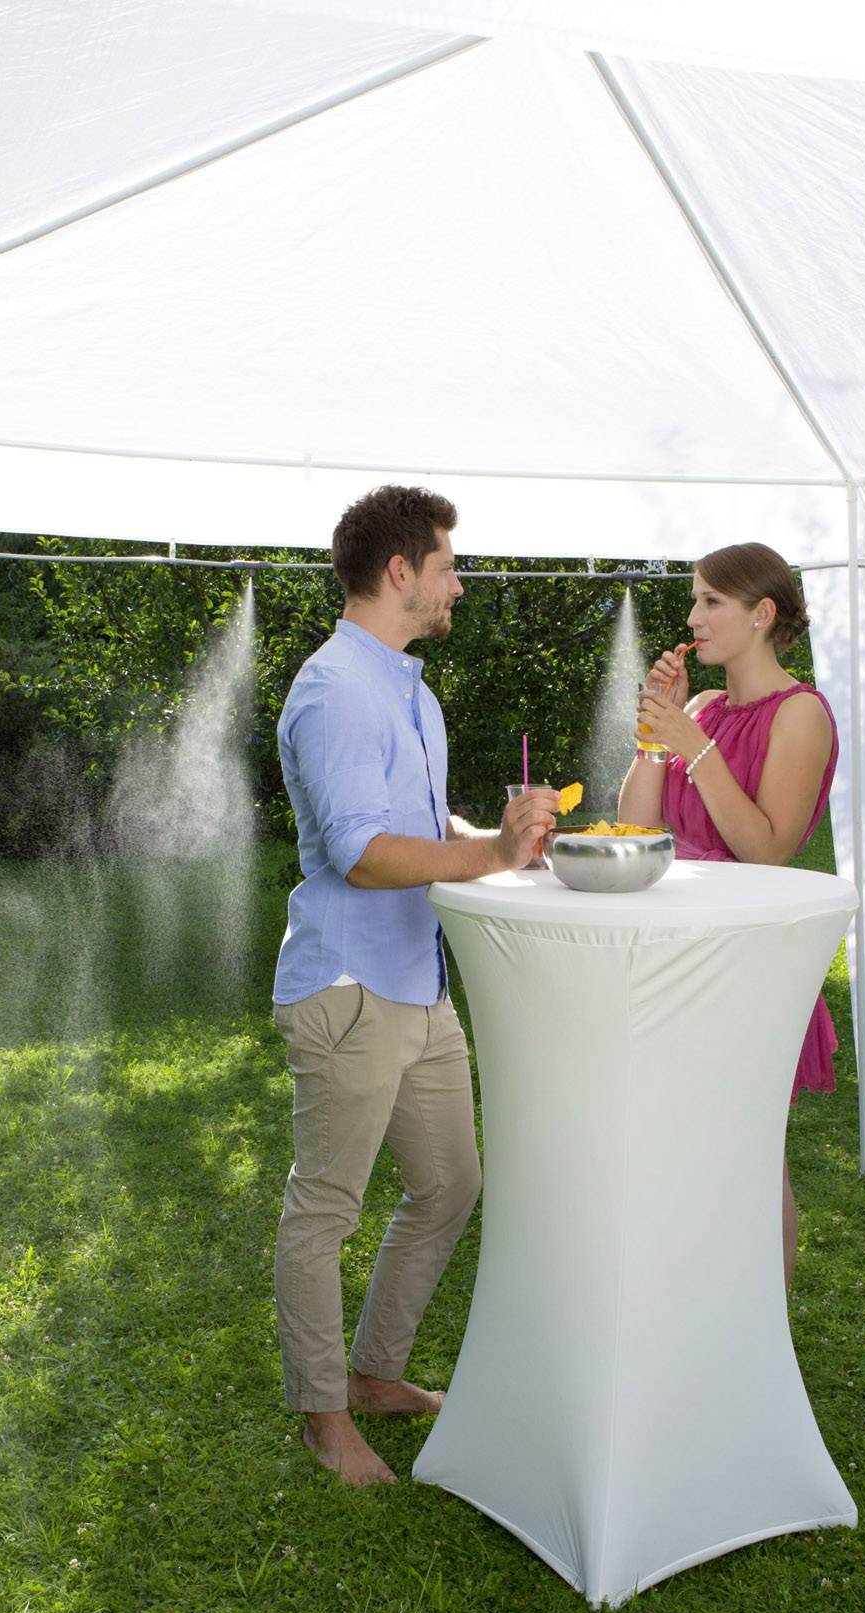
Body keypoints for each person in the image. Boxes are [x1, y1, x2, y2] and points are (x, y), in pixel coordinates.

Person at [272, 485, 558, 1488]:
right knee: (324, 1211)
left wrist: (503, 840)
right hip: (350, 987)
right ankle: (323, 1416)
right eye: (447, 566)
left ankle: (374, 1374)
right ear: (400, 571)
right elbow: (359, 854)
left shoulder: (410, 692)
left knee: (450, 1185)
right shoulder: (334, 692)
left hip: (419, 985)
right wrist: (488, 861)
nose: (458, 584)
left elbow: (426, 827)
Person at [616, 541, 838, 1289]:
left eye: (711, 601)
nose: (692, 617)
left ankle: (760, 1326)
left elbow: (768, 849)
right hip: (676, 954)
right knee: (681, 1153)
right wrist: (658, 735)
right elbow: (638, 829)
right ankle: (697, 1309)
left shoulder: (801, 714)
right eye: (694, 600)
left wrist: (697, 747)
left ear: (762, 613)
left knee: (751, 1156)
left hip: (749, 965)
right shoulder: (703, 708)